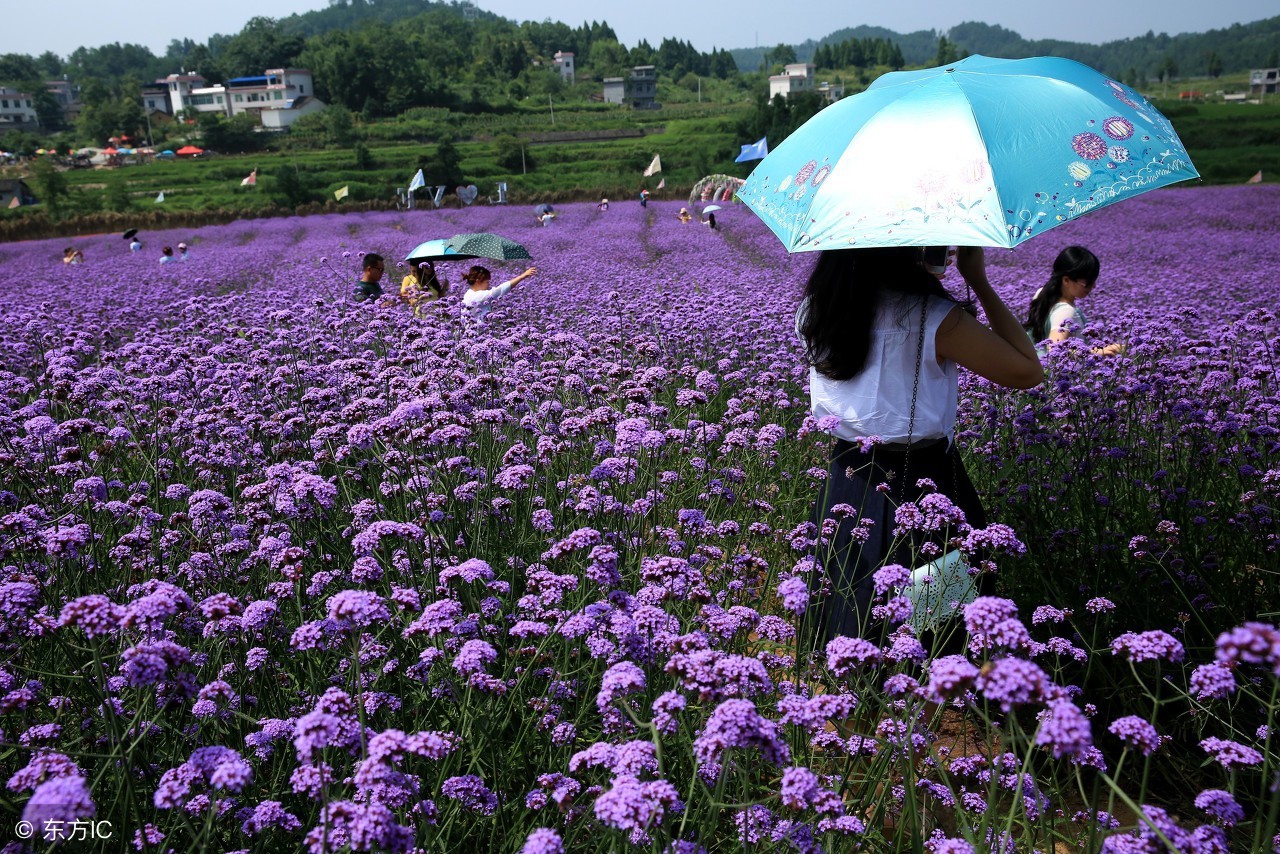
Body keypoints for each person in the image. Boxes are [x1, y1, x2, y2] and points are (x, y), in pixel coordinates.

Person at [797, 246, 1043, 642]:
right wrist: (977, 280)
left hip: (845, 478)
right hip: (921, 482)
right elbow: (1027, 370)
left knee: (849, 605)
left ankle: (856, 697)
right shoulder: (933, 316)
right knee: (935, 624)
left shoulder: (817, 308)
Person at [1025, 246, 1122, 355]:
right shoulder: (1065, 311)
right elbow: (1054, 351)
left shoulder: (1041, 293)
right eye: (1088, 283)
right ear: (1066, 280)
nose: (1093, 286)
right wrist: (1097, 352)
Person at [461, 264, 537, 324]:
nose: (489, 285)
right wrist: (522, 276)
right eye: (487, 282)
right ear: (478, 281)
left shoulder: (468, 293)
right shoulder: (478, 296)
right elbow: (499, 290)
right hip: (476, 335)